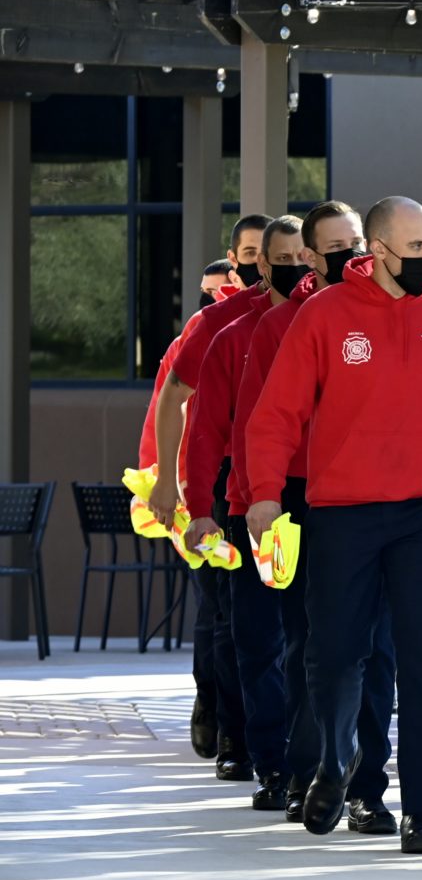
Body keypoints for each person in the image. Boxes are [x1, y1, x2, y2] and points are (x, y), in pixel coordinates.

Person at [245, 196, 422, 855]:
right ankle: (336, 761)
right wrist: (264, 495)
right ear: (378, 251)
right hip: (342, 513)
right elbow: (276, 414)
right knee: (333, 656)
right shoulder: (325, 315)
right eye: (415, 248)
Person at [235, 201, 398, 833]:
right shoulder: (279, 325)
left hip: (379, 498)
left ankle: (368, 787)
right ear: (308, 256)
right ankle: (309, 769)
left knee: (377, 647)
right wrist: (261, 497)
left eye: (356, 242)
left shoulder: (393, 312)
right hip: (302, 497)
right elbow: (259, 420)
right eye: (334, 247)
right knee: (311, 641)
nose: (350, 254)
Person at [182, 215, 307, 809]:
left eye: (304, 258)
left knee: (315, 641)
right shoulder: (231, 335)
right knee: (256, 639)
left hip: (322, 502)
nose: (296, 269)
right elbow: (205, 429)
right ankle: (272, 766)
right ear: (260, 264)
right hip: (249, 505)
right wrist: (196, 508)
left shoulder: (336, 326)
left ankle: (316, 761)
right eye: (282, 259)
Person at [147, 213, 272, 780]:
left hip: (284, 481)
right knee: (225, 608)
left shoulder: (308, 316)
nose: (260, 264)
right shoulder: (213, 325)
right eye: (249, 254)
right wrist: (168, 482)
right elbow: (171, 400)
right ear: (238, 259)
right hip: (222, 480)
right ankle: (226, 722)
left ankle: (268, 732)